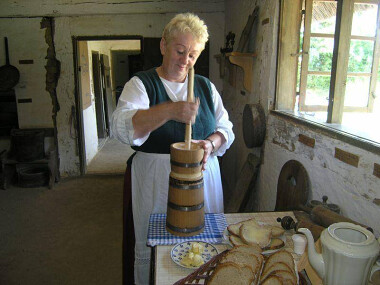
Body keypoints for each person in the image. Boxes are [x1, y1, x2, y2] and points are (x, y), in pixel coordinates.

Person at [111, 13, 235, 284]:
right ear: (163, 45)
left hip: (203, 176)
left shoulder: (205, 86)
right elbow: (122, 127)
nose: (185, 60)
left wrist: (210, 144)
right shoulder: (141, 84)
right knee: (159, 248)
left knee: (203, 246)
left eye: (193, 55)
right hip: (157, 180)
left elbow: (226, 129)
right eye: (180, 51)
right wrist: (170, 110)